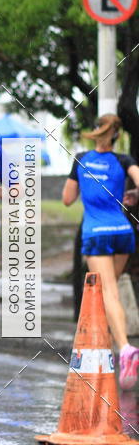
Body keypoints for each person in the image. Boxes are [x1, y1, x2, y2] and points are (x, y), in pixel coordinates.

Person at [62, 114, 139, 389]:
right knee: (111, 293)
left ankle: (126, 349)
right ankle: (104, 352)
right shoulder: (124, 161)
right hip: (122, 232)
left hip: (96, 234)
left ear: (96, 131)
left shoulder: (81, 159)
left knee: (108, 293)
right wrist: (134, 196)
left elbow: (67, 199)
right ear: (118, 135)